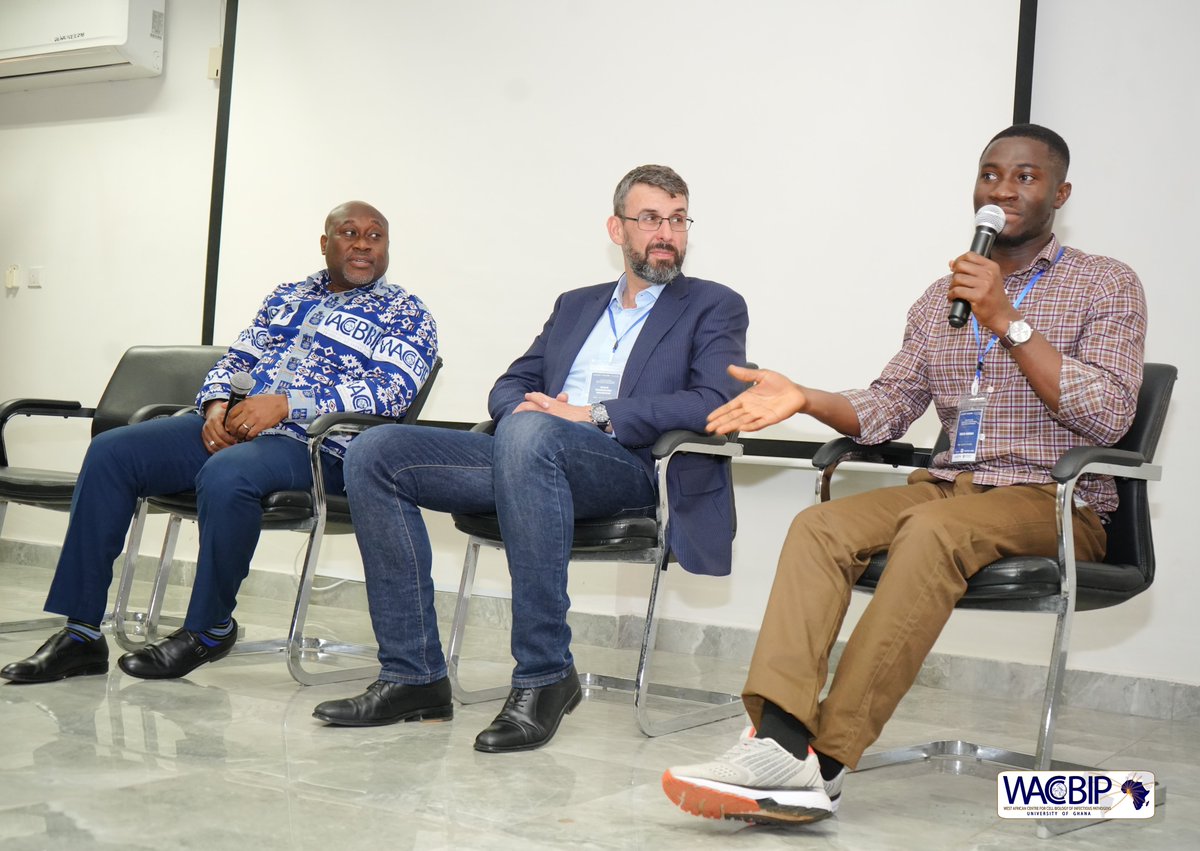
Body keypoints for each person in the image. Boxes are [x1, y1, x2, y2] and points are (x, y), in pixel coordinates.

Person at [662, 124, 1147, 825]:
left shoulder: (1105, 283)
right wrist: (806, 397)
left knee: (931, 531)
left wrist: (1009, 322)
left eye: (1025, 176)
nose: (1003, 189)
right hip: (949, 490)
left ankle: (826, 764)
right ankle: (779, 744)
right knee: (820, 526)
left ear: (1060, 193)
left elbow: (1108, 414)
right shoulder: (938, 300)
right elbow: (889, 405)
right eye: (990, 174)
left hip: (1053, 500)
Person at [313, 164, 749, 753]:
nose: (666, 234)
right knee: (375, 451)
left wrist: (592, 415)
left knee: (531, 434)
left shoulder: (713, 305)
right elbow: (512, 382)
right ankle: (413, 676)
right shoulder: (576, 304)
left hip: (627, 466)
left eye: (677, 220)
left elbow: (714, 400)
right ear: (617, 229)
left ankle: (545, 673)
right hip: (533, 452)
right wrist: (526, 408)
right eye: (650, 219)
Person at [1, 201, 438, 684]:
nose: (363, 245)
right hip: (238, 426)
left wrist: (287, 404)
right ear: (325, 243)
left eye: (375, 236)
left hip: (318, 449)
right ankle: (81, 634)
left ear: (387, 247)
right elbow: (236, 360)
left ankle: (209, 628)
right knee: (113, 452)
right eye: (349, 233)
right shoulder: (288, 296)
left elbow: (392, 391)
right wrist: (214, 406)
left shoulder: (406, 313)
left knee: (228, 472)